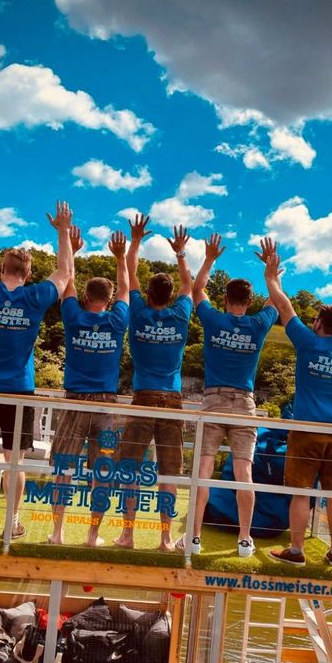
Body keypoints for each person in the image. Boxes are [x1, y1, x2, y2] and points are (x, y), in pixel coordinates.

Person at [0, 187, 73, 539]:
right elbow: (65, 272)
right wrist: (63, 232)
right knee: (15, 461)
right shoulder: (35, 297)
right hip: (19, 391)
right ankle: (12, 521)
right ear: (27, 272)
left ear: (2, 268)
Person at [263, 249, 332, 564]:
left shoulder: (310, 342)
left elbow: (284, 306)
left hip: (306, 431)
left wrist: (271, 278)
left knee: (301, 493)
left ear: (318, 324)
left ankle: (296, 551)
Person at [175, 234, 278, 558]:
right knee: (243, 473)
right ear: (248, 302)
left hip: (214, 400)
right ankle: (245, 540)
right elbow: (276, 301)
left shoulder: (214, 319)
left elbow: (196, 289)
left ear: (225, 298)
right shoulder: (259, 324)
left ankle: (193, 537)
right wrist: (271, 273)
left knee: (203, 470)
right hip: (244, 404)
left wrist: (209, 258)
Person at [113, 215, 192, 552]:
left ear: (147, 293)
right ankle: (164, 538)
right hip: (172, 400)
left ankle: (128, 535)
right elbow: (191, 286)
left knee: (131, 468)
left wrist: (134, 241)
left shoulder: (139, 313)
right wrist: (180, 254)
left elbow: (129, 271)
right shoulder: (180, 314)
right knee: (169, 471)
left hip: (143, 397)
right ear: (171, 295)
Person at [47, 230, 130, 547]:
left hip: (75, 401)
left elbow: (65, 280)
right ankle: (92, 536)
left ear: (86, 296)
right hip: (106, 406)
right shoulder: (117, 320)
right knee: (102, 473)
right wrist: (121, 256)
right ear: (107, 300)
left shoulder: (73, 316)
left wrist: (73, 249)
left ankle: (57, 532)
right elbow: (125, 288)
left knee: (63, 470)